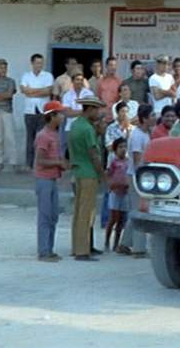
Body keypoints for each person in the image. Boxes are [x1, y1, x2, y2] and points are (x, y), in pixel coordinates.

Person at [67, 97, 106, 261]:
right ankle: (83, 251)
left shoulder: (75, 125)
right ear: (90, 109)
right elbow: (94, 155)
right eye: (96, 110)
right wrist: (102, 174)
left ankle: (79, 246)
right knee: (86, 213)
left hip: (78, 171)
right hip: (89, 173)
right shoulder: (88, 129)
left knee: (79, 212)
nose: (98, 113)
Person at [34, 101, 69, 262]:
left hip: (52, 179)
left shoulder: (54, 134)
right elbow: (40, 161)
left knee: (53, 216)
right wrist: (58, 163)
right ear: (52, 116)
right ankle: (44, 251)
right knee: (45, 216)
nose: (62, 117)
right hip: (44, 180)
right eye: (60, 114)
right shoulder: (43, 136)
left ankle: (49, 249)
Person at [121, 104, 156, 257]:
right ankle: (139, 249)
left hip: (141, 176)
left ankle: (125, 243)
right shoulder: (137, 136)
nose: (155, 118)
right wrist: (143, 179)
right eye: (152, 115)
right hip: (137, 176)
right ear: (144, 118)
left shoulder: (145, 133)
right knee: (140, 212)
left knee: (136, 211)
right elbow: (137, 160)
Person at [20, 54, 54, 169]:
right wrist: (39, 90)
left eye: (41, 63)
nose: (39, 65)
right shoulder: (26, 76)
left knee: (41, 139)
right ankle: (29, 163)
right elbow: (23, 90)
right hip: (29, 111)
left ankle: (39, 163)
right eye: (37, 63)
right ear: (32, 63)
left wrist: (32, 91)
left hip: (42, 111)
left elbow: (48, 91)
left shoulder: (48, 76)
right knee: (30, 138)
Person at [104, 138, 130, 253]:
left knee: (121, 220)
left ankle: (116, 243)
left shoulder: (128, 162)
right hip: (115, 192)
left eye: (125, 147)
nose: (123, 149)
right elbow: (108, 175)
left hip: (125, 192)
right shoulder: (114, 162)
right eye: (120, 147)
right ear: (115, 149)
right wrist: (111, 185)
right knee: (113, 218)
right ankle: (107, 241)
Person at [61, 71, 95, 156]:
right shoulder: (67, 95)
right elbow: (67, 113)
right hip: (70, 127)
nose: (79, 82)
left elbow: (91, 112)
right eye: (77, 80)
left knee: (85, 151)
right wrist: (83, 112)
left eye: (81, 80)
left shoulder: (89, 94)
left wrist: (74, 112)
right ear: (72, 81)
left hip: (85, 127)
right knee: (71, 153)